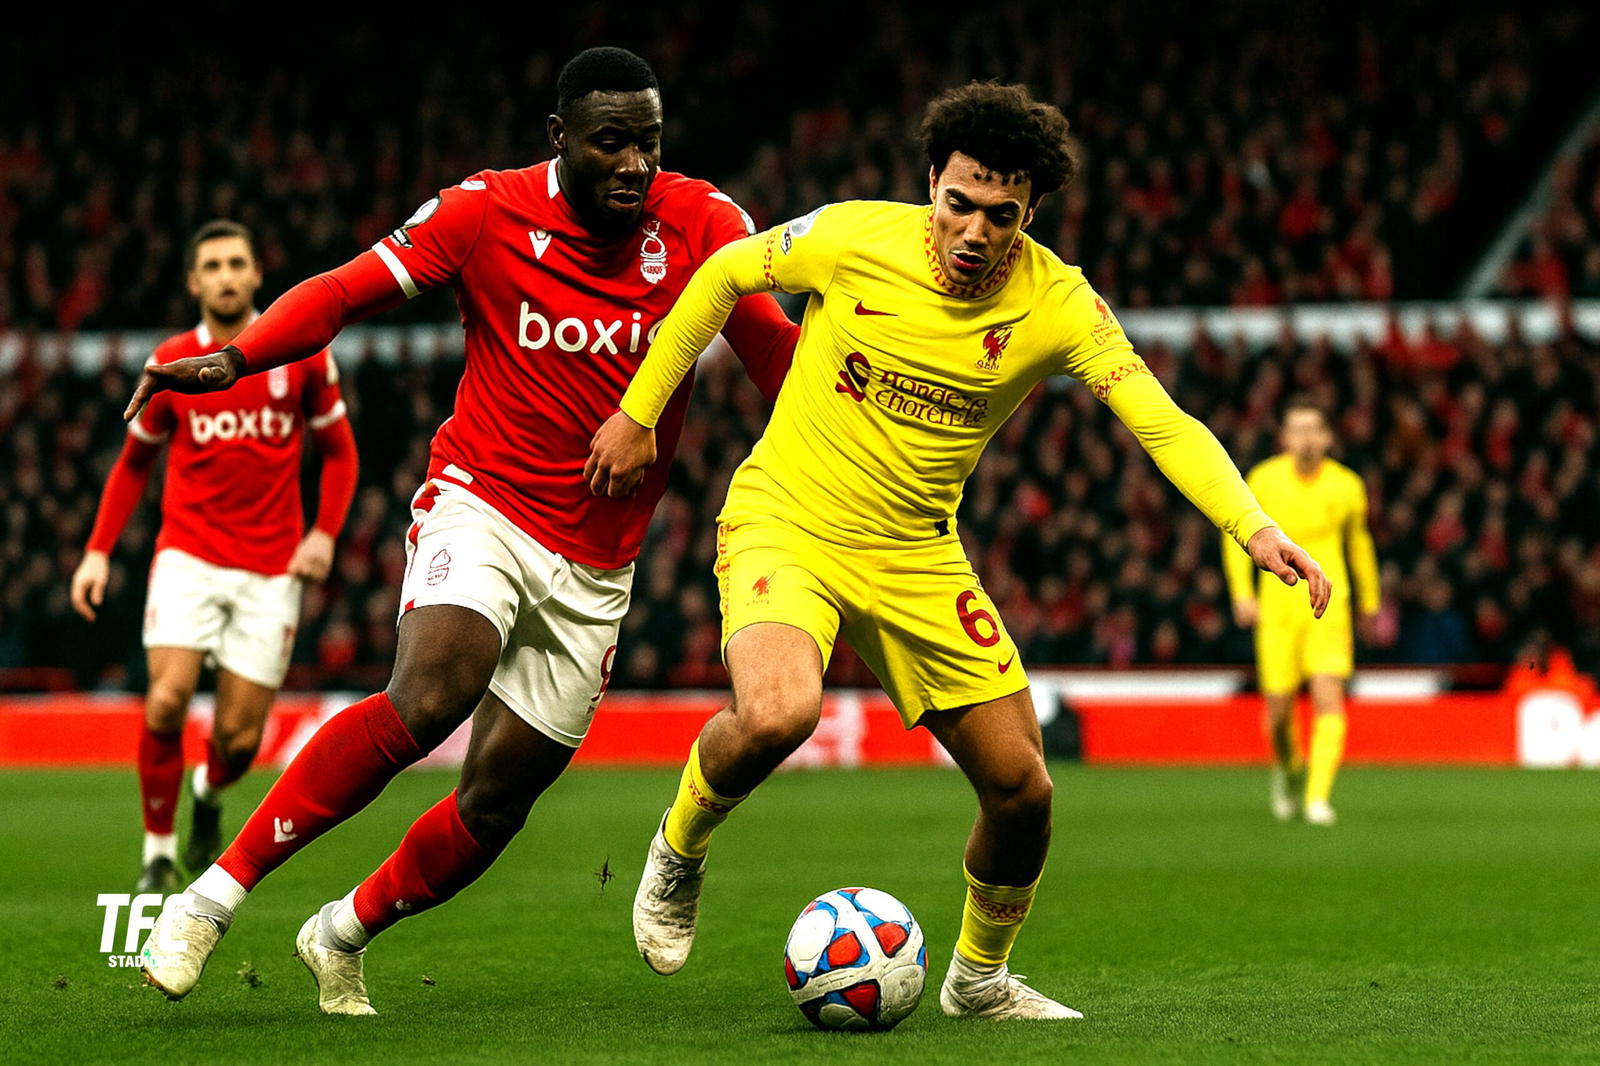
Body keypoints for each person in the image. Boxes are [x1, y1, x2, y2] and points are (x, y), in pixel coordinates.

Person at [587, 81, 1331, 1020]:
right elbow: (726, 273)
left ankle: (978, 981)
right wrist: (637, 408)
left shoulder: (1058, 302)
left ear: (1031, 215)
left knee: (1023, 790)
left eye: (1002, 215)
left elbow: (1163, 422)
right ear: (931, 182)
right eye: (959, 204)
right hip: (790, 518)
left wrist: (1254, 528)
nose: (975, 232)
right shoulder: (853, 236)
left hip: (917, 555)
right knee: (779, 713)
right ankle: (679, 849)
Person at [132, 47, 797, 1015]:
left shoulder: (703, 224)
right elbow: (343, 291)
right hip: (480, 499)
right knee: (430, 690)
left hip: (596, 563)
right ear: (558, 139)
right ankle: (208, 896)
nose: (634, 165)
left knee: (496, 800)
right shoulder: (482, 211)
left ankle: (342, 930)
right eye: (610, 141)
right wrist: (238, 357)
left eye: (649, 142)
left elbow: (776, 356)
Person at [69, 219, 357, 894]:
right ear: (194, 282)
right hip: (188, 555)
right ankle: (157, 853)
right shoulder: (170, 361)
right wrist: (97, 552)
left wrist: (325, 533)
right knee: (165, 701)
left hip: (273, 567)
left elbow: (340, 453)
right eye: (213, 266)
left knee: (236, 743)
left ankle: (207, 787)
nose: (227, 276)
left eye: (237, 263)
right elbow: (133, 464)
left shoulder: (299, 354)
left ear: (256, 274)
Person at [1224, 397, 1379, 826]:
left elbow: (1359, 544)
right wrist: (1241, 592)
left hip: (1330, 604)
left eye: (1313, 429)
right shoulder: (1263, 479)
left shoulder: (1347, 485)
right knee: (1278, 711)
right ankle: (1289, 770)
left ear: (1328, 437)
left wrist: (1370, 601)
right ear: (1284, 437)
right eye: (1297, 430)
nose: (1306, 438)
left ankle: (1317, 797)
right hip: (1277, 606)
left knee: (1329, 696)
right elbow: (1236, 532)